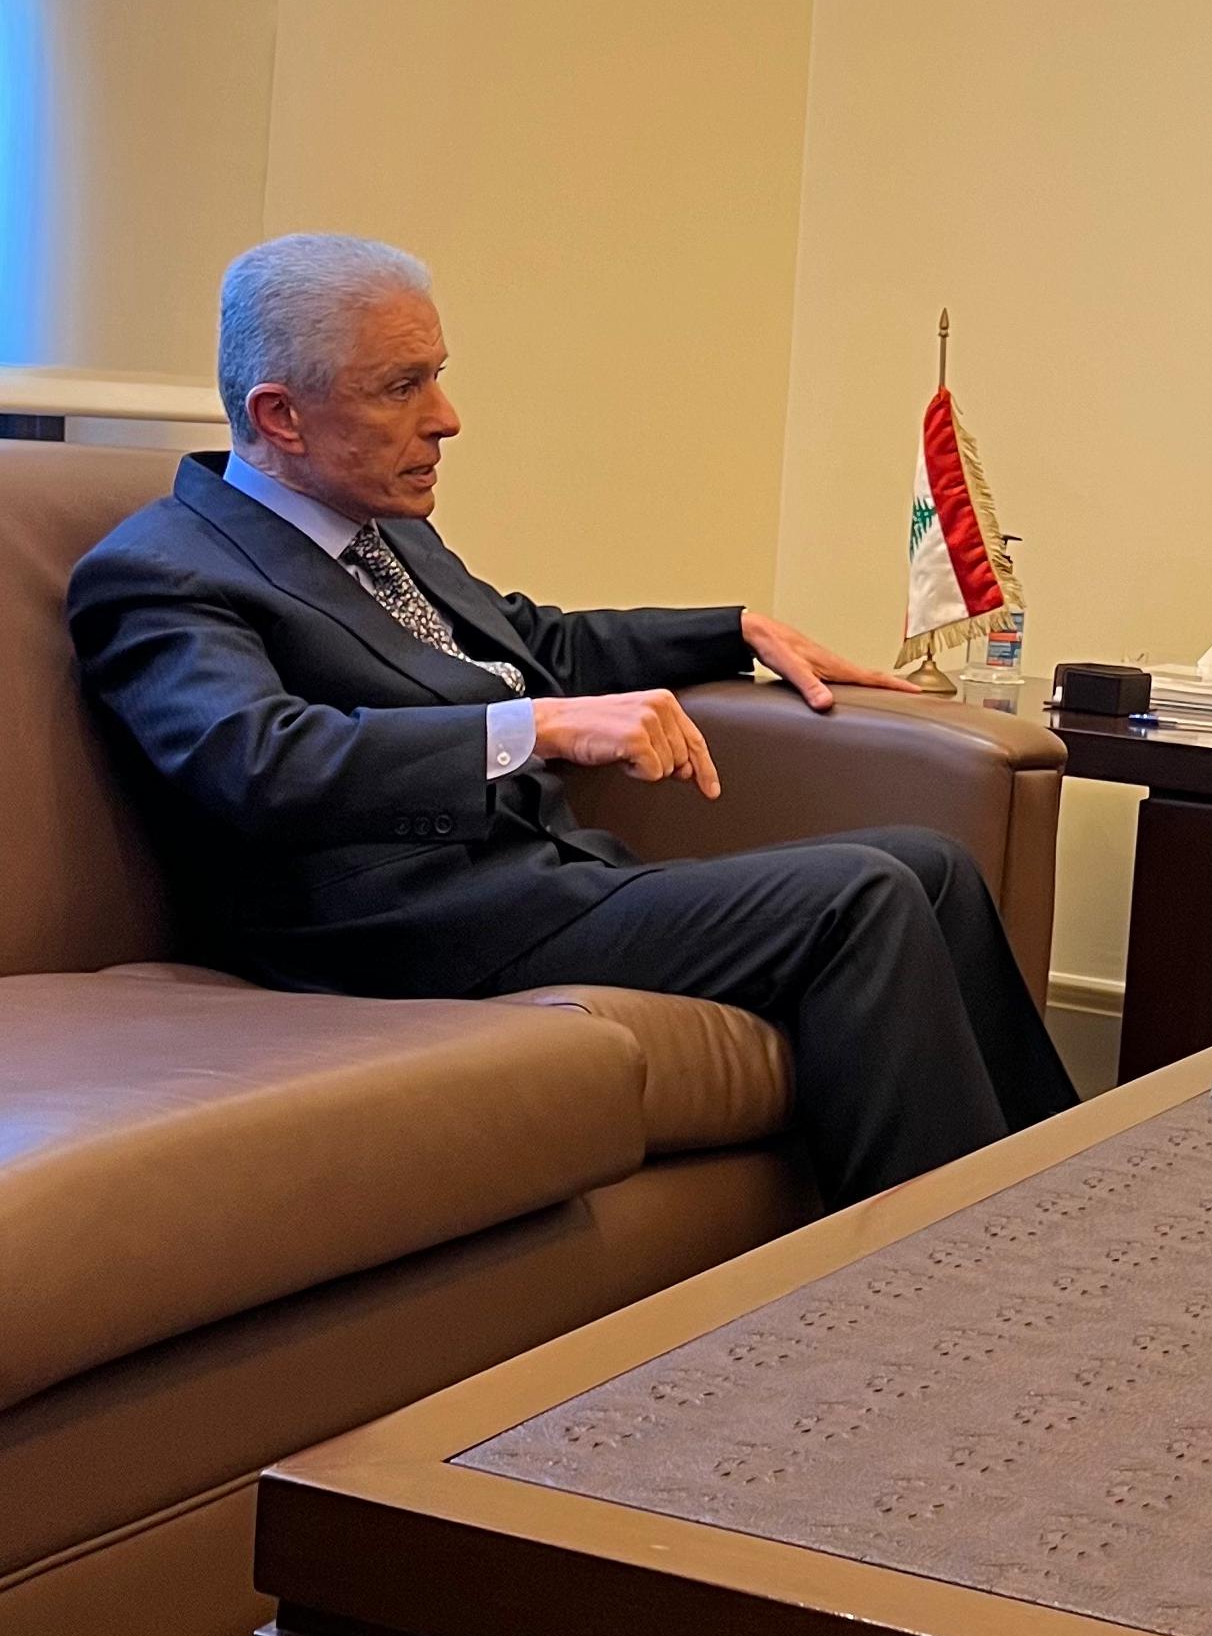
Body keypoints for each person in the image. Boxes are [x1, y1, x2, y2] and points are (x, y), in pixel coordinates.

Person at [68, 233, 1075, 1204]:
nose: (446, 418)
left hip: (537, 884)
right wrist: (536, 729)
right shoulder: (162, 572)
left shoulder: (380, 529)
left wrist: (734, 629)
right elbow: (255, 761)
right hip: (392, 932)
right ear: (281, 416)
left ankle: (1053, 1205)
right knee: (859, 896)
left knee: (930, 864)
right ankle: (936, 1269)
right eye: (401, 387)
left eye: (436, 375)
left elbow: (526, 641)